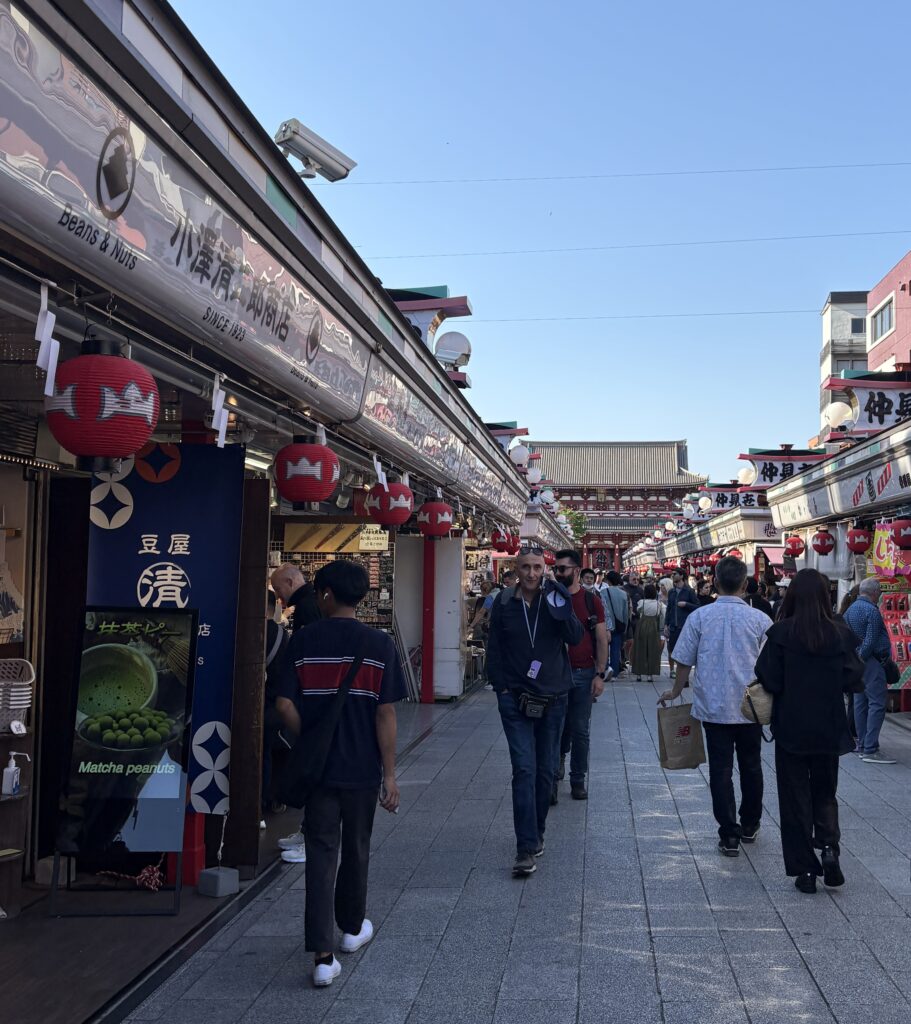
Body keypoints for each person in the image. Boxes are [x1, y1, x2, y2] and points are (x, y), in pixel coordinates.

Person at [275, 560, 405, 988]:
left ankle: (322, 955)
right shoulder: (379, 645)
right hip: (362, 769)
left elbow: (284, 705)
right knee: (357, 847)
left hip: (320, 772)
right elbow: (385, 714)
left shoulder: (304, 640)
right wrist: (389, 775)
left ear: (326, 595)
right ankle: (351, 929)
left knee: (320, 853)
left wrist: (311, 738)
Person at [754, 569, 864, 894]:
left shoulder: (782, 634)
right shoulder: (839, 633)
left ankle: (805, 870)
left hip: (791, 725)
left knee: (794, 796)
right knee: (825, 791)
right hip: (829, 725)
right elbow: (853, 676)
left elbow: (768, 678)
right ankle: (829, 848)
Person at [658, 556, 770, 856]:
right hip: (752, 707)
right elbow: (771, 665)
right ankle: (750, 824)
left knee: (721, 769)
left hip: (714, 706)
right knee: (752, 765)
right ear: (745, 585)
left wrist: (675, 690)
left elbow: (684, 660)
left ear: (715, 583)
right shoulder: (760, 620)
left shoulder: (700, 618)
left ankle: (728, 834)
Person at [486, 547, 583, 876]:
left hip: (554, 696)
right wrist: (499, 688)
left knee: (545, 772)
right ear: (516, 569)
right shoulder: (503, 603)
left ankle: (537, 829)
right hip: (514, 696)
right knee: (524, 770)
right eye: (525, 567)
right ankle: (525, 847)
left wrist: (561, 600)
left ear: (546, 569)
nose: (531, 573)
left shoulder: (553, 599)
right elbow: (494, 648)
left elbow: (575, 636)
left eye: (537, 567)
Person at [553, 551, 611, 802]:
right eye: (556, 569)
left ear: (576, 570)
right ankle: (554, 776)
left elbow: (601, 638)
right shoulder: (550, 597)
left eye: (563, 569)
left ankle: (578, 779)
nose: (558, 573)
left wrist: (600, 674)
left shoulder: (591, 601)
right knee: (555, 728)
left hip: (583, 672)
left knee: (580, 729)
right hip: (554, 674)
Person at [843, 578, 895, 764]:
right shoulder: (872, 611)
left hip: (857, 661)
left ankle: (864, 744)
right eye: (880, 591)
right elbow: (871, 639)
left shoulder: (850, 610)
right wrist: (862, 656)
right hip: (871, 661)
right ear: (874, 592)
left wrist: (855, 658)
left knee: (860, 703)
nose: (880, 594)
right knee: (877, 703)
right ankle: (871, 747)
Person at [665, 570, 700, 678]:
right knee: (671, 649)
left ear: (681, 576)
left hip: (684, 625)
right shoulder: (671, 591)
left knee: (684, 650)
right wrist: (666, 624)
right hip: (673, 625)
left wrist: (686, 604)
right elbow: (669, 608)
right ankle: (672, 670)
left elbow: (697, 606)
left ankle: (682, 672)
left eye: (675, 574)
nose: (673, 575)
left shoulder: (689, 591)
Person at [270, 563, 321, 634]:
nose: (276, 596)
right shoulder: (314, 599)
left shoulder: (305, 607)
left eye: (277, 589)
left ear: (290, 583)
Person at [632, 584, 664, 681]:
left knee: (639, 649)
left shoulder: (642, 602)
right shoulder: (659, 604)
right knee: (653, 649)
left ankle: (638, 674)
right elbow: (662, 615)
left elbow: (638, 610)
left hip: (642, 625)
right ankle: (650, 674)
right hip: (654, 626)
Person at [603, 571, 631, 678]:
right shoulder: (624, 594)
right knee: (615, 650)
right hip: (619, 626)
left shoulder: (602, 592)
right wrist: (625, 627)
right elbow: (626, 614)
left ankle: (605, 670)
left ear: (608, 580)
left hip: (606, 626)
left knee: (604, 649)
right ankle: (614, 673)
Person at [623, 573, 645, 669]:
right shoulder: (624, 589)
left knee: (636, 641)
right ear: (629, 579)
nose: (636, 581)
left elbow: (644, 602)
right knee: (629, 640)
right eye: (634, 579)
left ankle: (633, 659)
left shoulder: (640, 590)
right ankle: (626, 657)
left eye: (637, 579)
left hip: (638, 618)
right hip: (627, 618)